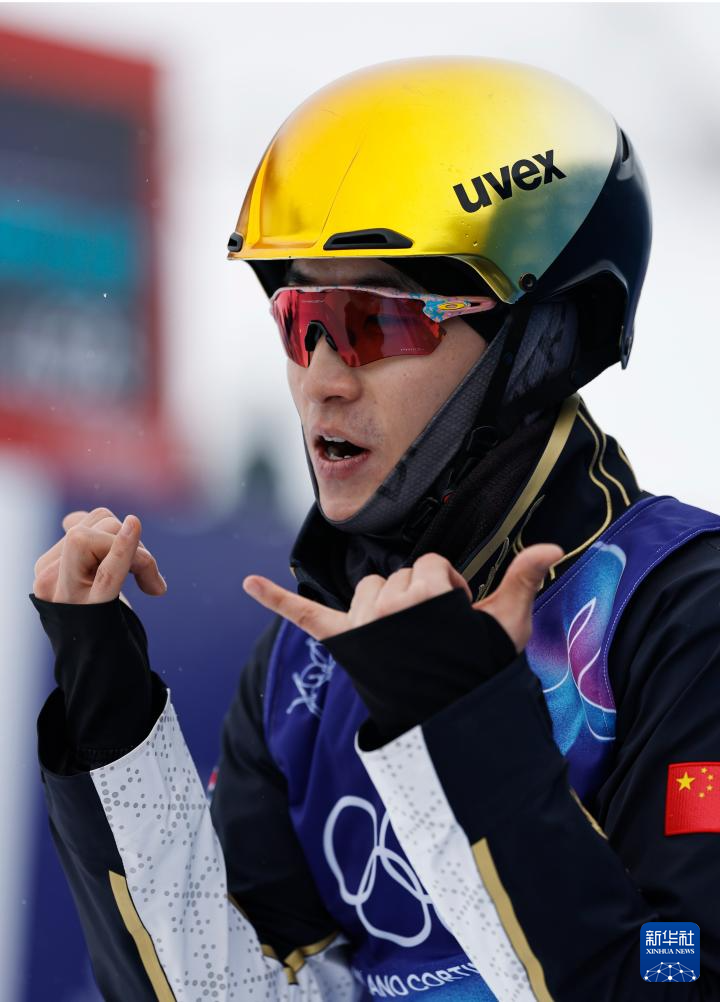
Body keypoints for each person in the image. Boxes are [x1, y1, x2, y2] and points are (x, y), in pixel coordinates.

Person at [30, 56, 720, 1001]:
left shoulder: (684, 614)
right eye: (299, 321)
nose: (322, 378)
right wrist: (111, 727)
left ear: (541, 341)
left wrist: (458, 724)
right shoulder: (302, 668)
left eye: (377, 324)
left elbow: (680, 980)